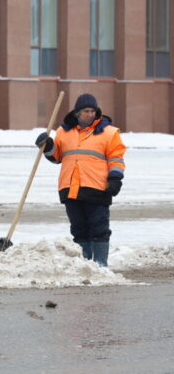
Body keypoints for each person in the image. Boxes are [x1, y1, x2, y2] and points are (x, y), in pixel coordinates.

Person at [35, 93, 126, 266]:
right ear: (77, 113)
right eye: (86, 111)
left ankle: (99, 265)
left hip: (97, 188)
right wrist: (47, 146)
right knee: (79, 229)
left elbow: (116, 158)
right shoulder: (64, 131)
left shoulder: (109, 132)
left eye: (93, 111)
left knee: (99, 228)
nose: (90, 114)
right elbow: (57, 157)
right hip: (70, 188)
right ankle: (83, 265)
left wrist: (115, 178)